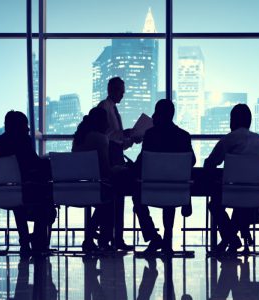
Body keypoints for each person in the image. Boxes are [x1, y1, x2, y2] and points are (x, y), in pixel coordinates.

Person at [133, 99, 196, 253]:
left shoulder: (151, 135)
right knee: (170, 191)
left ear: (158, 115)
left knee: (136, 196)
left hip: (152, 190)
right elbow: (192, 161)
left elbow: (142, 162)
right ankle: (168, 238)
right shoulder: (183, 136)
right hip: (177, 191)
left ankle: (154, 237)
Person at [204, 104, 259, 254]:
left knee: (215, 205)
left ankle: (230, 239)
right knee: (240, 204)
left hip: (233, 193)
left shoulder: (229, 139)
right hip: (256, 195)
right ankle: (231, 239)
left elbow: (210, 162)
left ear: (233, 120)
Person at [0, 111, 56, 254]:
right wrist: (48, 162)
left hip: (6, 192)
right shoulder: (23, 140)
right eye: (25, 125)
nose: (28, 129)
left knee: (19, 203)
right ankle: (37, 241)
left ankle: (26, 241)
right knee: (47, 201)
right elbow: (33, 163)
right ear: (18, 127)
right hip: (28, 190)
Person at [97, 77, 140, 251]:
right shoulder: (104, 108)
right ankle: (113, 237)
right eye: (121, 91)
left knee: (117, 199)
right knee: (115, 199)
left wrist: (130, 139)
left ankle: (115, 238)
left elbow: (117, 141)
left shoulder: (112, 109)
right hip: (110, 160)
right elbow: (109, 136)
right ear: (112, 90)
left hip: (115, 157)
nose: (123, 94)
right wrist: (126, 134)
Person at [72, 107, 114, 252]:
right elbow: (105, 169)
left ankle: (95, 238)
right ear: (102, 122)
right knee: (111, 197)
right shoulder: (100, 138)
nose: (109, 125)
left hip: (75, 189)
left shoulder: (78, 138)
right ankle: (101, 239)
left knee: (107, 196)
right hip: (94, 189)